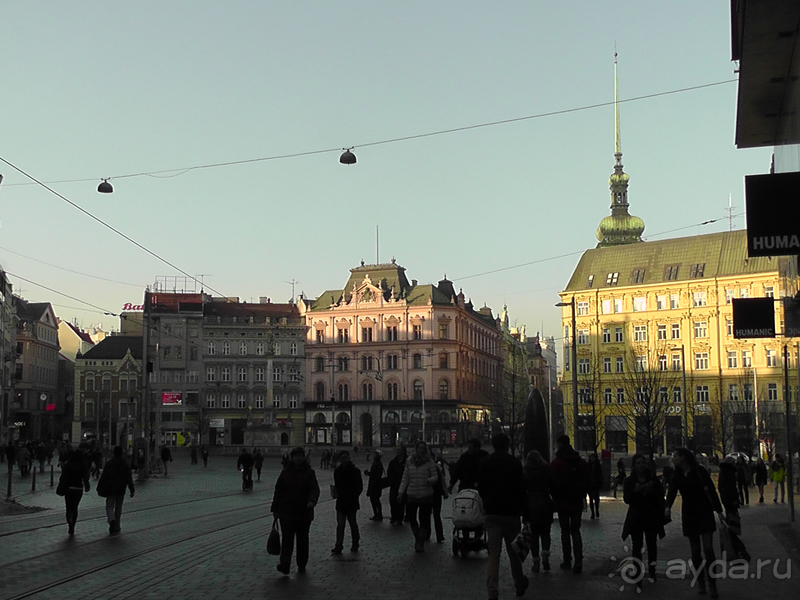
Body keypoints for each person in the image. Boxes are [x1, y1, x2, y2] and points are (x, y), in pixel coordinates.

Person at [665, 447, 723, 598]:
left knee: (708, 549)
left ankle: (712, 583)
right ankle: (701, 581)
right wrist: (667, 507)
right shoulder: (677, 475)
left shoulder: (699, 471)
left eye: (675, 456)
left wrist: (719, 510)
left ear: (683, 457)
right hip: (689, 514)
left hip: (704, 512)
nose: (673, 458)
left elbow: (710, 489)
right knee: (696, 553)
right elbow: (671, 491)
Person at [477, 433, 529, 599]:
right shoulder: (514, 463)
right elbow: (521, 488)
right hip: (511, 513)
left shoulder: (485, 463)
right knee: (514, 551)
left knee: (494, 554)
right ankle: (519, 583)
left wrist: (487, 503)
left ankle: (492, 589)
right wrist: (524, 511)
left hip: (492, 513)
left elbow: (481, 487)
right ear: (507, 445)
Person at [270, 447, 320, 575]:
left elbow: (314, 489)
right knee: (287, 540)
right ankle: (285, 564)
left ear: (304, 458)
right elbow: (278, 491)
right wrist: (275, 509)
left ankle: (301, 564)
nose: (298, 458)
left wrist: (312, 501)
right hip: (287, 512)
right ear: (291, 458)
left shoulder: (309, 472)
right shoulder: (285, 472)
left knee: (302, 540)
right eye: (296, 456)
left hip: (304, 512)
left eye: (300, 456)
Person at [622, 454, 666, 587]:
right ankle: (638, 572)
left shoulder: (653, 479)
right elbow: (627, 499)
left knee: (651, 545)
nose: (641, 466)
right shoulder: (630, 481)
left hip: (651, 516)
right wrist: (635, 491)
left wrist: (650, 490)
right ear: (634, 466)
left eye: (643, 463)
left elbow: (660, 496)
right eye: (638, 463)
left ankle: (652, 570)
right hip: (636, 517)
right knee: (637, 546)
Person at [550, 434, 589, 573]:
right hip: (577, 501)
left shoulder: (557, 462)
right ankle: (579, 560)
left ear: (560, 444)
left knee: (565, 531)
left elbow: (552, 482)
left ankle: (567, 559)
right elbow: (586, 479)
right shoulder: (580, 461)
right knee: (576, 531)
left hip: (562, 501)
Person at [398, 440, 439, 552]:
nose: (421, 450)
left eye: (423, 448)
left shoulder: (429, 462)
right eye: (419, 448)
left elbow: (435, 476)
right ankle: (417, 536)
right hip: (411, 494)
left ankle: (420, 542)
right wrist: (401, 492)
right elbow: (405, 477)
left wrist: (429, 481)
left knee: (424, 519)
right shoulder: (409, 461)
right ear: (416, 449)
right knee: (411, 517)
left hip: (426, 495)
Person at [524, 450, 555, 573]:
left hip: (530, 504)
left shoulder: (526, 471)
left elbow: (522, 488)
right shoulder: (546, 469)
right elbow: (553, 485)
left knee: (534, 535)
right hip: (545, 503)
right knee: (545, 533)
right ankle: (545, 556)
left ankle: (535, 561)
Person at [97, 445, 135, 534]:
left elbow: (104, 476)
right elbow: (129, 478)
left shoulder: (109, 463)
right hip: (121, 489)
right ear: (122, 453)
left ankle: (111, 520)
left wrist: (99, 487)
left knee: (109, 506)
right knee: (118, 507)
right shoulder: (125, 464)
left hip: (110, 488)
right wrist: (132, 489)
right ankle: (117, 524)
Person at [331, 450, 363, 553]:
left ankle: (355, 543)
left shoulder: (355, 471)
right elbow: (337, 485)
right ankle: (338, 545)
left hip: (351, 502)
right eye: (342, 458)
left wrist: (353, 496)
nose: (344, 459)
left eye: (346, 457)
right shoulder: (338, 471)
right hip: (341, 502)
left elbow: (359, 487)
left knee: (352, 523)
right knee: (340, 525)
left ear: (349, 458)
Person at [58, 449, 91, 535]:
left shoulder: (68, 464)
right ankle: (73, 524)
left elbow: (63, 476)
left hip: (69, 488)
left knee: (69, 507)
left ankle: (70, 523)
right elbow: (86, 477)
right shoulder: (83, 464)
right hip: (78, 488)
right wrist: (87, 486)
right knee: (75, 507)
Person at [430, 450, 450, 542]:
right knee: (432, 515)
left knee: (435, 514)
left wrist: (445, 491)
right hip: (429, 493)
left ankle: (438, 535)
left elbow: (442, 480)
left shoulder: (437, 467)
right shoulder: (437, 467)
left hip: (435, 493)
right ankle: (438, 535)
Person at [387, 445, 408, 524]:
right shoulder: (393, 462)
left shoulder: (407, 461)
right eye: (397, 449)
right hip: (394, 485)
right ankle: (394, 517)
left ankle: (400, 518)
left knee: (401, 502)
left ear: (403, 451)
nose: (397, 451)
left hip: (403, 484)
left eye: (399, 449)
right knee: (392, 500)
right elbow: (389, 472)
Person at [364, 449, 385, 521]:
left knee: (375, 500)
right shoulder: (377, 463)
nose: (373, 455)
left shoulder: (377, 463)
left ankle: (378, 515)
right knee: (374, 500)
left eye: (375, 454)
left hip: (375, 485)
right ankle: (377, 514)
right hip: (375, 484)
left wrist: (368, 473)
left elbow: (375, 475)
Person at [587, 452, 603, 519]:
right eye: (591, 457)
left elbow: (600, 475)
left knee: (596, 499)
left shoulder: (598, 466)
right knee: (591, 499)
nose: (592, 459)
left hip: (596, 484)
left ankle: (596, 510)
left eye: (593, 457)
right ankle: (592, 512)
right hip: (590, 484)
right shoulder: (588, 466)